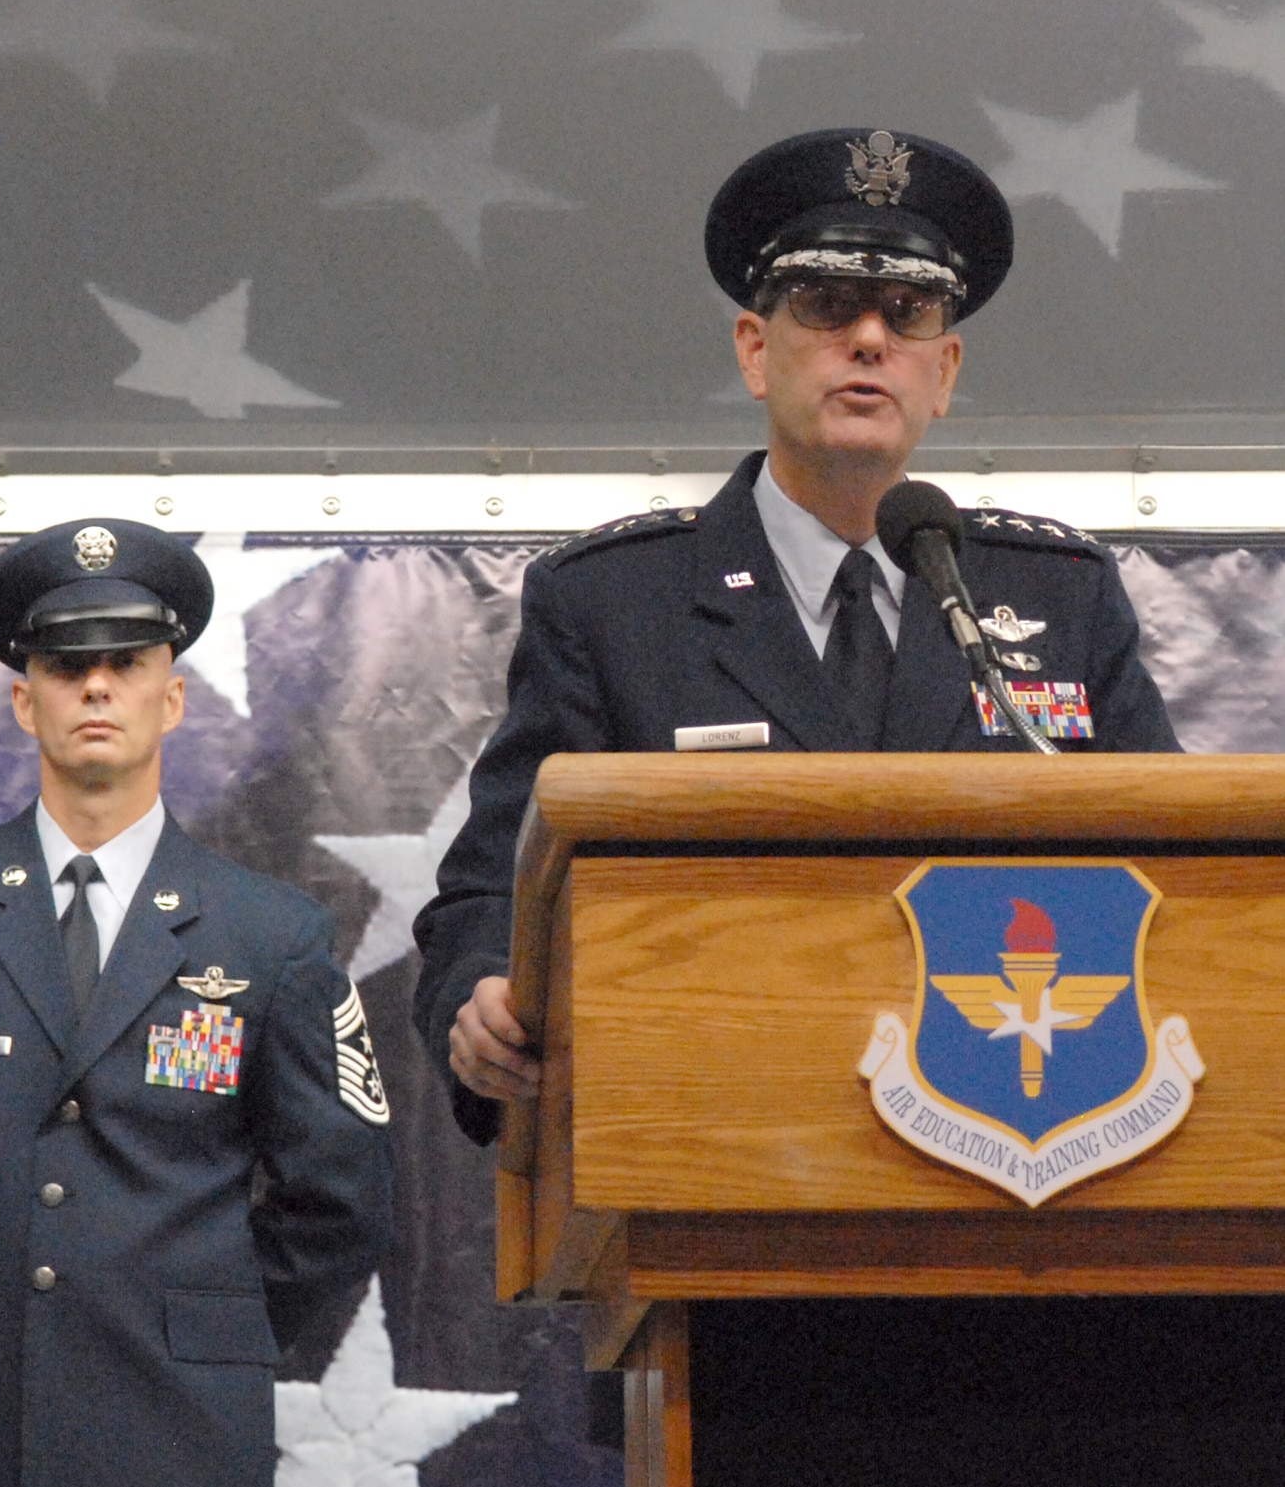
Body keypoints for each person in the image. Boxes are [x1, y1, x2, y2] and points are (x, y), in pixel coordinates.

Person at [412, 125, 1179, 1144]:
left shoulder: (1061, 595)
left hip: (1013, 1149)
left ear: (942, 373)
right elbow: (486, 891)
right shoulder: (613, 603)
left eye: (906, 314)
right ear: (754, 348)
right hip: (722, 1151)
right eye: (825, 305)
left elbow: (1178, 871)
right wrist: (480, 995)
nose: (868, 339)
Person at [0, 518, 393, 1487]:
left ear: (173, 694)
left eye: (125, 660)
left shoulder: (269, 934)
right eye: (66, 664)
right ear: (24, 699)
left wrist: (204, 1319)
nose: (96, 686)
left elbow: (342, 1194)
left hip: (176, 1429)